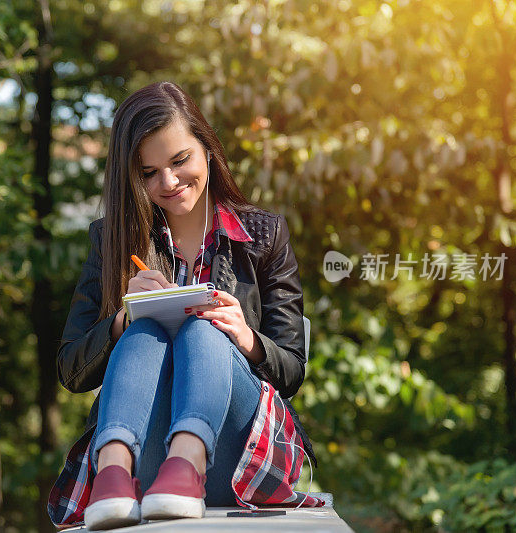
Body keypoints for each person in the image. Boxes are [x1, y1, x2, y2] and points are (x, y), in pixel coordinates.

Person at [47, 81, 322, 531]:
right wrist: (123, 318)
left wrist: (245, 336)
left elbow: (291, 370)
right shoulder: (111, 240)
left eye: (180, 161)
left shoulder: (264, 236)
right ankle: (111, 474)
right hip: (144, 462)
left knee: (202, 328)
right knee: (142, 327)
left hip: (240, 457)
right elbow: (71, 369)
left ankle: (188, 462)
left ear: (207, 150)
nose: (169, 183)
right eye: (149, 172)